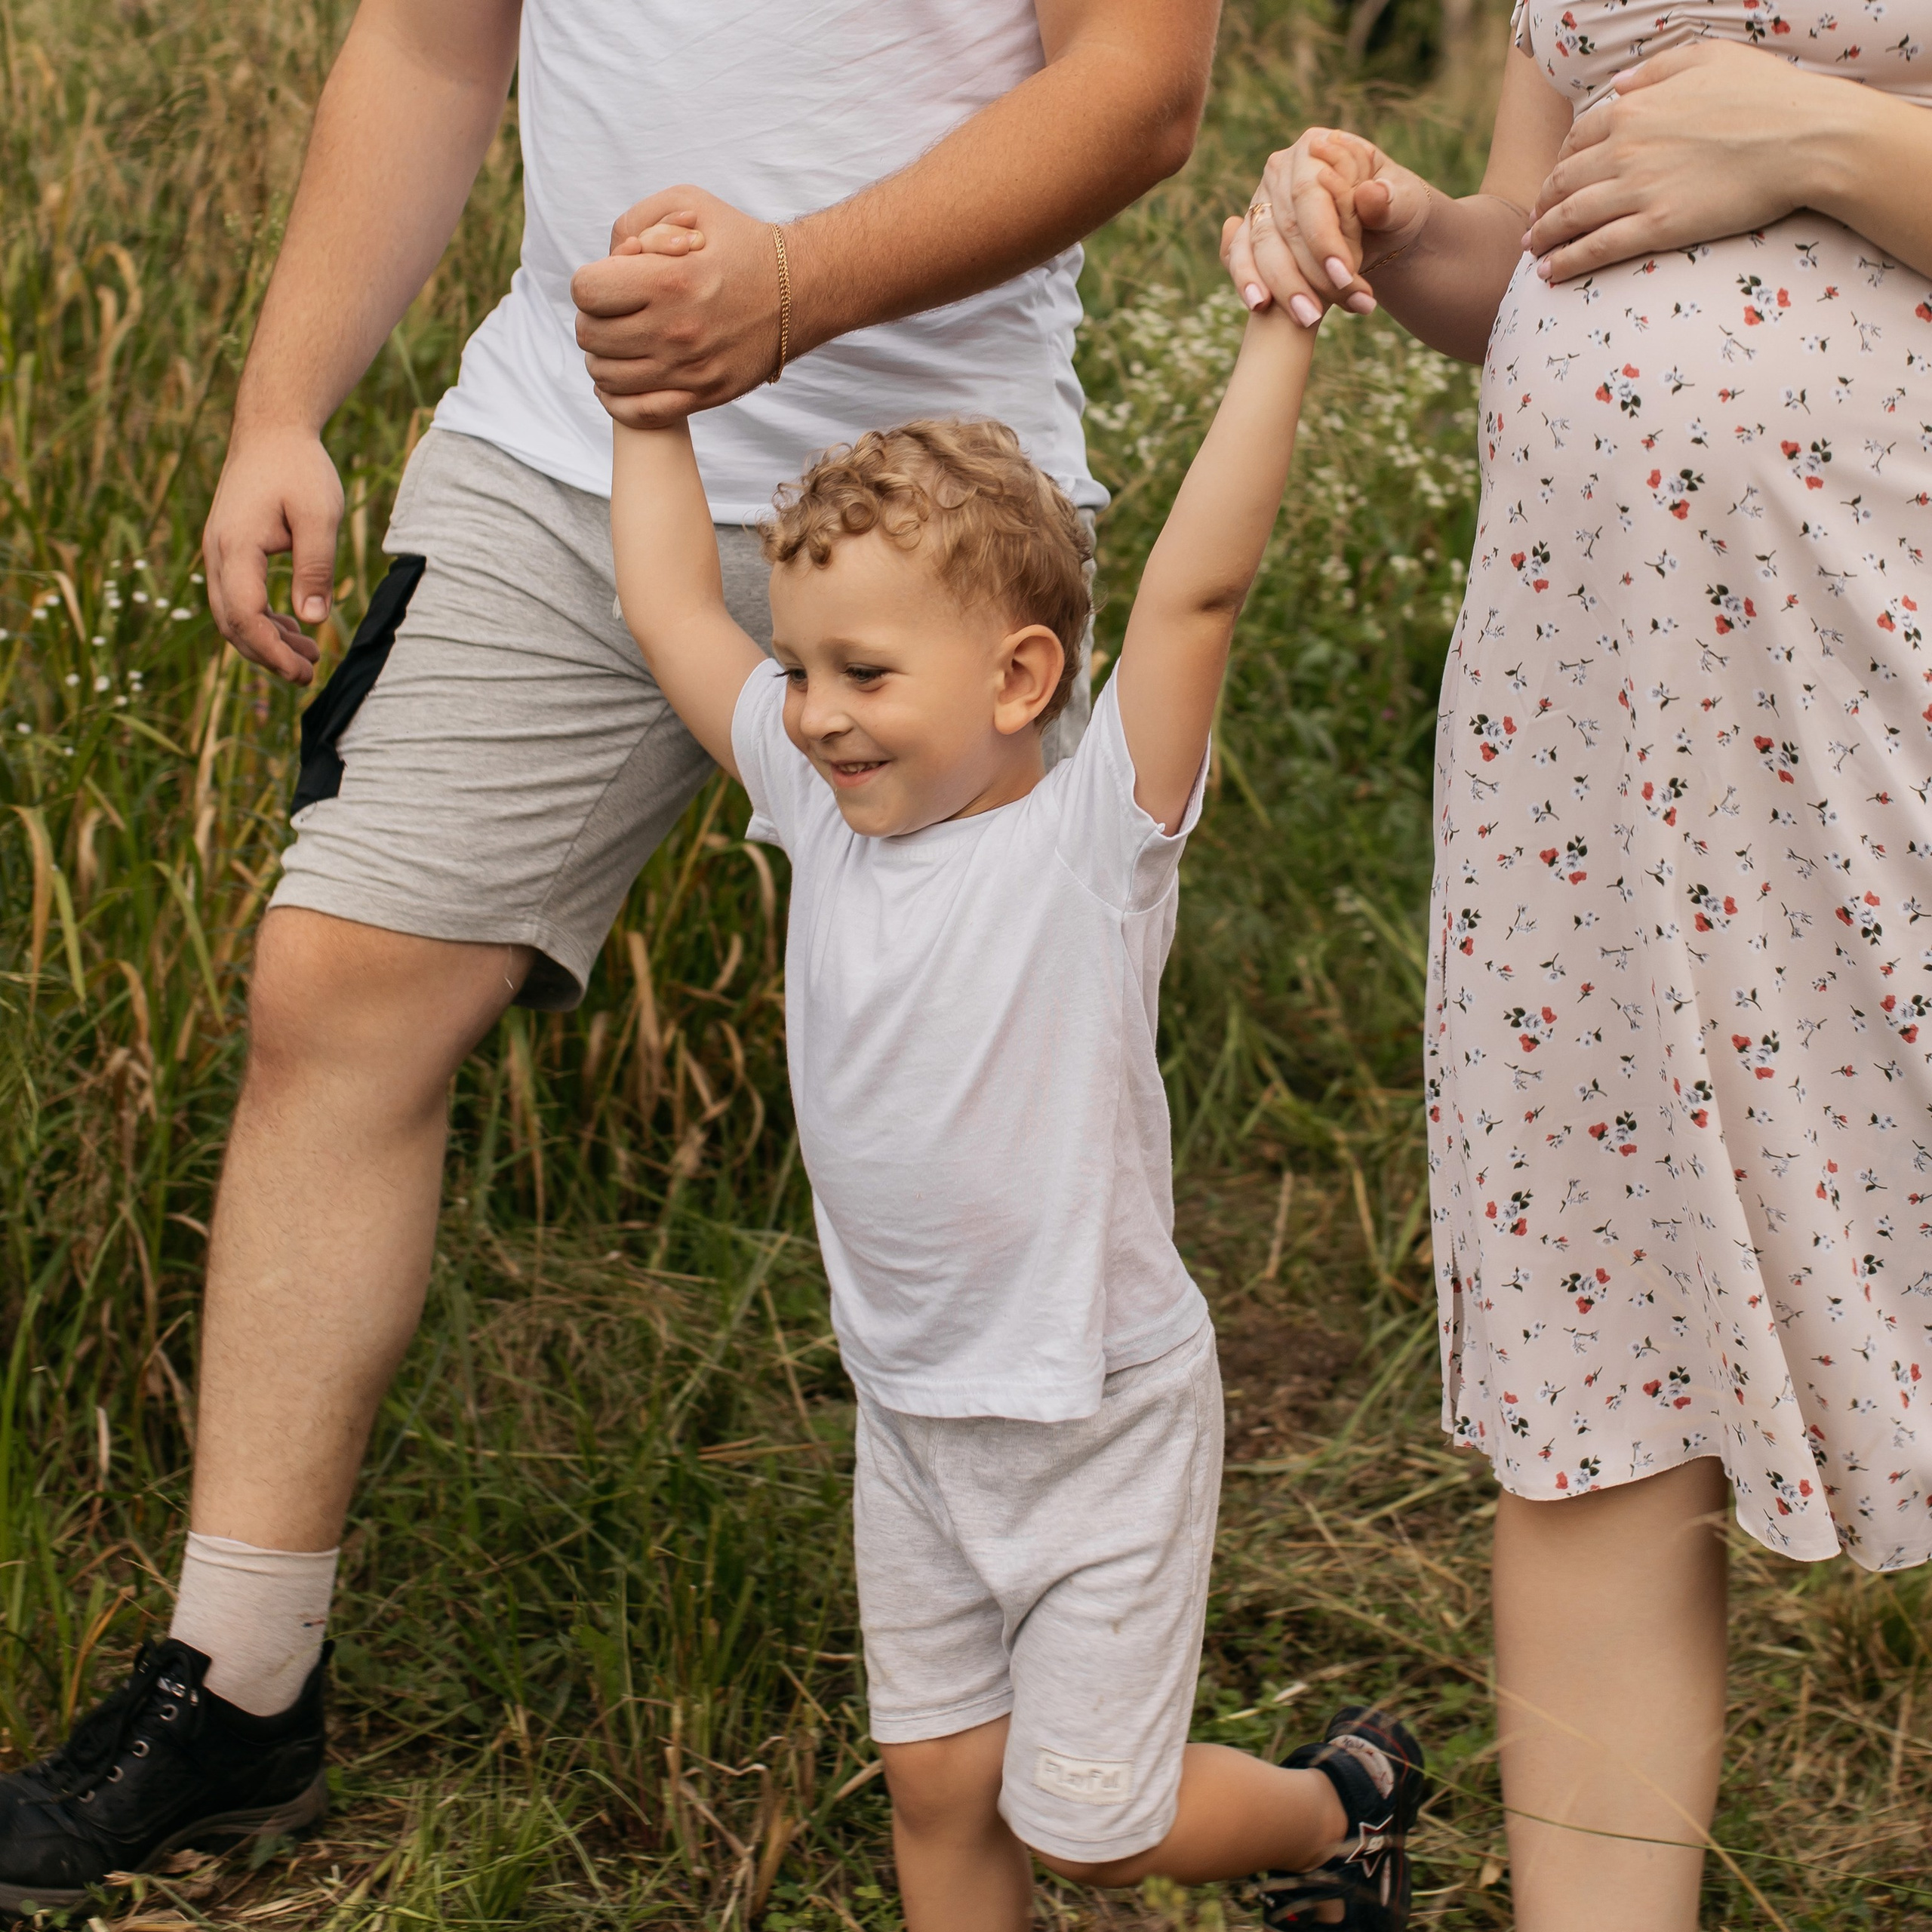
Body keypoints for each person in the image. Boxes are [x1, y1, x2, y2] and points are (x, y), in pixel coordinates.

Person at [0, 0, 1224, 1913]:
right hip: (561, 458)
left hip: (936, 499)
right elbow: (429, 49)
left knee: (999, 1128)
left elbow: (1138, 89)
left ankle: (1065, 1702)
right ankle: (238, 1681)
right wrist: (279, 404)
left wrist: (794, 286)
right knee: (333, 984)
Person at [604, 211, 1424, 1932]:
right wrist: (650, 405)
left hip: (1094, 1414)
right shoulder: (822, 810)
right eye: (802, 668)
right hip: (914, 1412)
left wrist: (1281, 329)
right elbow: (672, 606)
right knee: (934, 1786)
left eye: (864, 673)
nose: (814, 710)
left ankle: (1338, 1806)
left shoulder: (1089, 840)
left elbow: (1194, 591)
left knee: (1094, 1828)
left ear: (1019, 676)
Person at [1224, 20, 1932, 1930]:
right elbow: (1544, 232)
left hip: (1880, 664)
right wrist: (1395, 225)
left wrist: (1817, 140)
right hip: (1591, 741)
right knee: (1602, 1358)